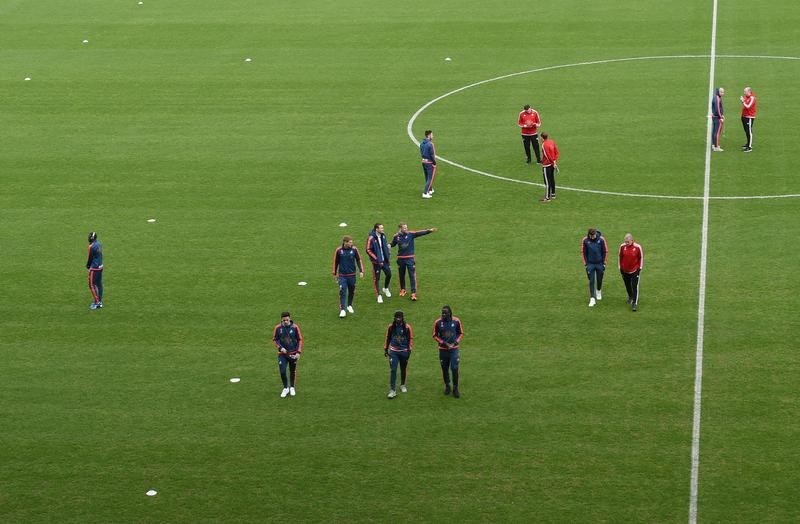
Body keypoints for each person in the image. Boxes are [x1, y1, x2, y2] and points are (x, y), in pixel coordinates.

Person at [390, 222, 438, 301]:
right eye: (404, 228)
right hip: (400, 258)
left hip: (410, 258)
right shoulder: (396, 236)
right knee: (401, 275)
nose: (406, 229)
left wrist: (430, 230)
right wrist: (388, 245)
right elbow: (393, 244)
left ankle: (413, 293)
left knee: (412, 276)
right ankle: (403, 289)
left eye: (406, 227)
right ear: (400, 228)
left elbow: (420, 233)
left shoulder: (411, 234)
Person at [433, 305, 463, 398]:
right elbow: (434, 335)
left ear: (450, 313)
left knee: (454, 368)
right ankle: (447, 386)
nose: (443, 314)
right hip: (443, 350)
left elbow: (461, 333)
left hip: (454, 349)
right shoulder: (438, 322)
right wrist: (443, 343)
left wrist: (455, 342)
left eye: (445, 313)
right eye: (442, 313)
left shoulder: (456, 321)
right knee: (444, 369)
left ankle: (455, 388)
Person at [272, 311, 304, 397]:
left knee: (292, 371)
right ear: (281, 320)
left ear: (289, 318)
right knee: (282, 371)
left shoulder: (295, 327)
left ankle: (292, 387)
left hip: (293, 353)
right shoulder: (278, 328)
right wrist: (280, 348)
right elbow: (275, 339)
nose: (285, 321)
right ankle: (285, 388)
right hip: (282, 354)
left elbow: (300, 339)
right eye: (284, 320)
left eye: (287, 320)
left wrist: (298, 352)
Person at [332, 235, 364, 318]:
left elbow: (358, 259)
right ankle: (343, 309)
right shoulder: (339, 250)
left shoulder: (354, 249)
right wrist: (334, 273)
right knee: (342, 290)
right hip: (342, 275)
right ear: (345, 242)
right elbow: (335, 262)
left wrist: (361, 270)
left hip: (352, 275)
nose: (351, 243)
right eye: (350, 242)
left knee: (351, 290)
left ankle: (349, 305)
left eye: (351, 242)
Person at [383, 310, 413, 399]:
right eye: (396, 317)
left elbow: (410, 339)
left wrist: (409, 350)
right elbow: (388, 338)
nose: (398, 319)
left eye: (400, 317)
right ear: (394, 318)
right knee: (393, 370)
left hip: (404, 351)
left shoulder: (407, 327)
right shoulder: (391, 327)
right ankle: (393, 390)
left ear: (403, 318)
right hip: (393, 352)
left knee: (403, 368)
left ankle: (402, 384)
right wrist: (385, 348)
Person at [366, 223, 392, 304]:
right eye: (381, 228)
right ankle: (379, 295)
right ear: (376, 229)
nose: (383, 229)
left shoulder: (383, 235)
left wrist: (387, 254)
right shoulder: (371, 238)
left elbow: (383, 246)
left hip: (384, 261)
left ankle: (385, 288)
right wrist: (377, 259)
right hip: (376, 262)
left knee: (389, 274)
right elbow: (368, 250)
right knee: (377, 278)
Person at [581, 228, 608, 307]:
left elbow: (605, 251)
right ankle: (592, 298)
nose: (593, 237)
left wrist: (604, 263)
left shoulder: (601, 239)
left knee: (599, 279)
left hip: (600, 263)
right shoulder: (585, 240)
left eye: (594, 235)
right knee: (591, 280)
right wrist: (586, 264)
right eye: (591, 236)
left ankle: (598, 290)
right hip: (590, 264)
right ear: (589, 235)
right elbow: (583, 252)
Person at [618, 233, 644, 312]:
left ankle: (634, 304)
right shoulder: (622, 247)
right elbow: (620, 256)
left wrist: (640, 268)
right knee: (627, 285)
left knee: (634, 286)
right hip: (625, 270)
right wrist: (620, 267)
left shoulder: (637, 247)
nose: (626, 243)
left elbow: (641, 257)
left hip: (634, 270)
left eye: (628, 242)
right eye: (625, 242)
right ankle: (630, 297)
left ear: (632, 240)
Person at [540, 132, 560, 202]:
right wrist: (554, 162)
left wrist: (552, 162)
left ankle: (547, 198)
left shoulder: (544, 145)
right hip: (552, 164)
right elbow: (556, 152)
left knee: (547, 181)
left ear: (542, 138)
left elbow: (547, 155)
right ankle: (553, 194)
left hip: (547, 165)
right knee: (552, 179)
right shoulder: (552, 142)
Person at [86, 231, 104, 309]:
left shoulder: (91, 246)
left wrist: (88, 266)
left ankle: (97, 303)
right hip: (100, 266)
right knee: (99, 284)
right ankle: (99, 300)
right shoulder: (99, 244)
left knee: (91, 284)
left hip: (94, 268)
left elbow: (90, 258)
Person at [420, 130, 437, 198]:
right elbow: (432, 155)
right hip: (429, 163)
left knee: (427, 177)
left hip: (423, 161)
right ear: (429, 135)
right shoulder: (430, 144)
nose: (433, 136)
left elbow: (421, 152)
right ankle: (425, 193)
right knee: (430, 178)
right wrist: (434, 163)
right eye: (432, 135)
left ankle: (430, 189)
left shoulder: (422, 143)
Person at [739, 86, 757, 152]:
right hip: (744, 116)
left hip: (749, 117)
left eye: (745, 91)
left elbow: (748, 106)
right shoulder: (747, 97)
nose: (744, 93)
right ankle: (747, 143)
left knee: (749, 131)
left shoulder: (752, 98)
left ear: (749, 91)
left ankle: (749, 147)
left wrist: (742, 101)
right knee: (746, 131)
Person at [711, 87, 725, 151]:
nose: (723, 93)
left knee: (714, 131)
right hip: (717, 118)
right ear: (718, 92)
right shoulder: (717, 99)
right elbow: (718, 109)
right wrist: (721, 117)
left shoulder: (716, 97)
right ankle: (716, 147)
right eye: (721, 92)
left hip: (714, 117)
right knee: (717, 132)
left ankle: (714, 145)